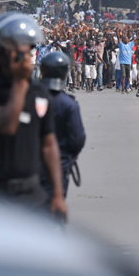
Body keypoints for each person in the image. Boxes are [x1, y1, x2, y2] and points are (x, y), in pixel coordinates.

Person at [0, 14, 67, 218]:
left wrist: (57, 195)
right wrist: (20, 82)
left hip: (31, 194)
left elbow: (48, 144)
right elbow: (8, 124)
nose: (28, 56)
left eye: (29, 50)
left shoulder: (40, 93)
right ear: (3, 52)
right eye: (20, 51)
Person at [39, 51, 86, 199]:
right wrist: (68, 157)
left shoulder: (30, 99)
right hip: (60, 166)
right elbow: (78, 139)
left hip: (30, 166)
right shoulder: (69, 105)